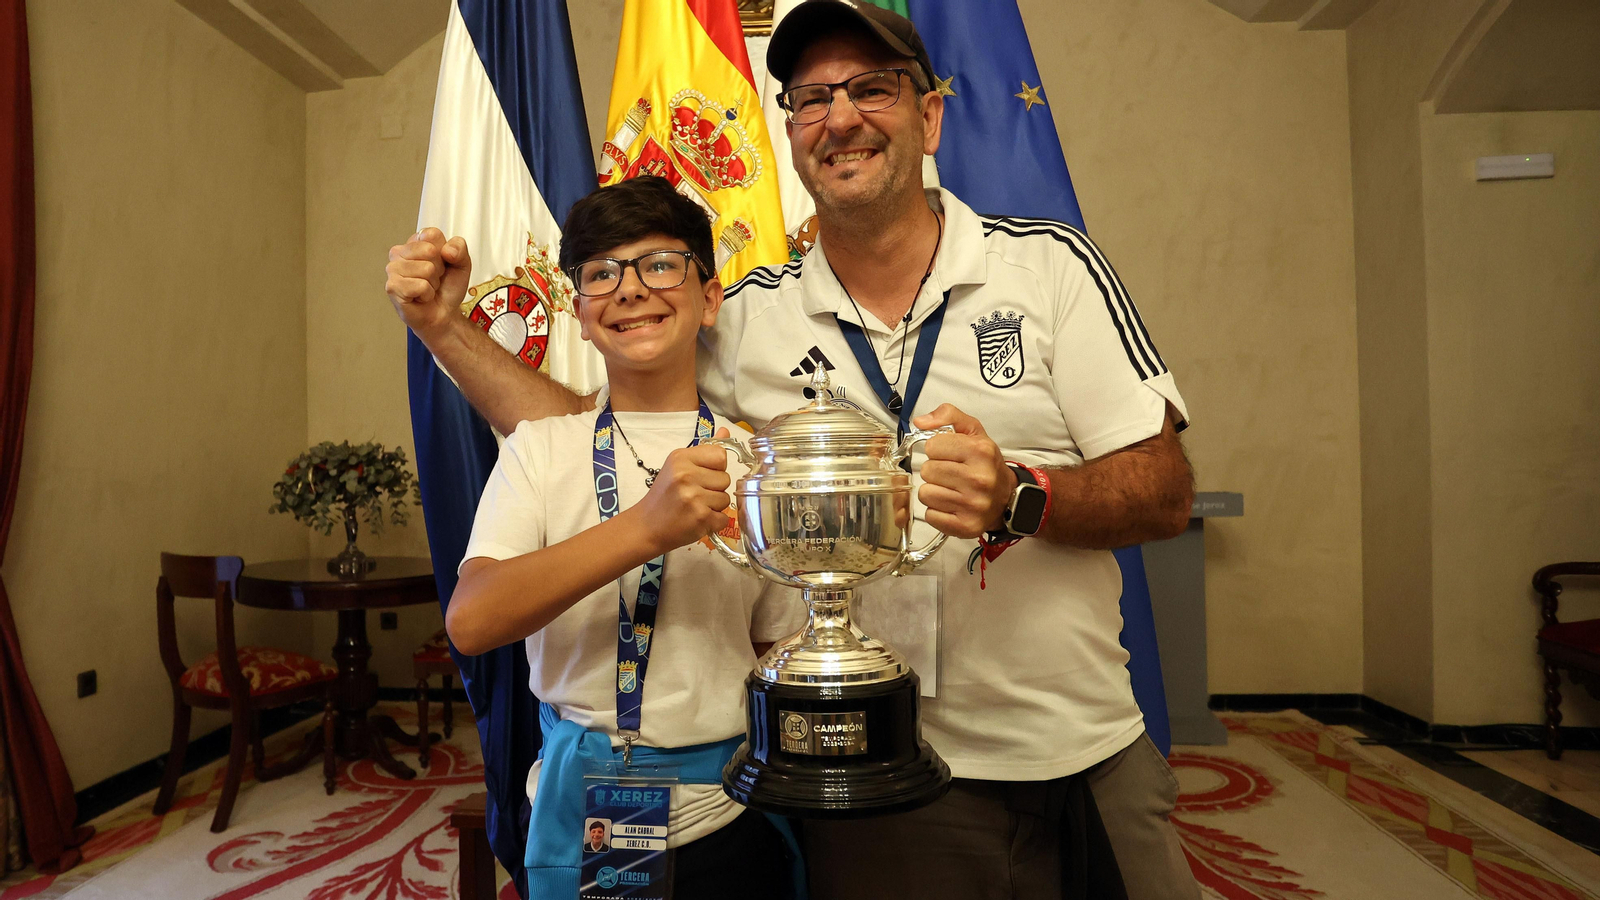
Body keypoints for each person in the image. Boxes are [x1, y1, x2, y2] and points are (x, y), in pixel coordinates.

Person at [386, 4, 1200, 898]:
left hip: (1072, 741)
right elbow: (601, 433)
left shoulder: (1048, 268)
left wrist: (1022, 493)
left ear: (928, 116)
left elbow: (1163, 490)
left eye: (871, 89)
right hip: (857, 759)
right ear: (790, 133)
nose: (840, 117)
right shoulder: (748, 317)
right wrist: (445, 331)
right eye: (810, 98)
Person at [439, 176, 801, 899]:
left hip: (727, 806)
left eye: (660, 263)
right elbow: (472, 621)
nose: (630, 289)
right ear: (578, 313)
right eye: (603, 273)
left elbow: (775, 646)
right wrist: (644, 528)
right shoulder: (540, 450)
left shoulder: (758, 463)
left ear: (709, 297)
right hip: (590, 806)